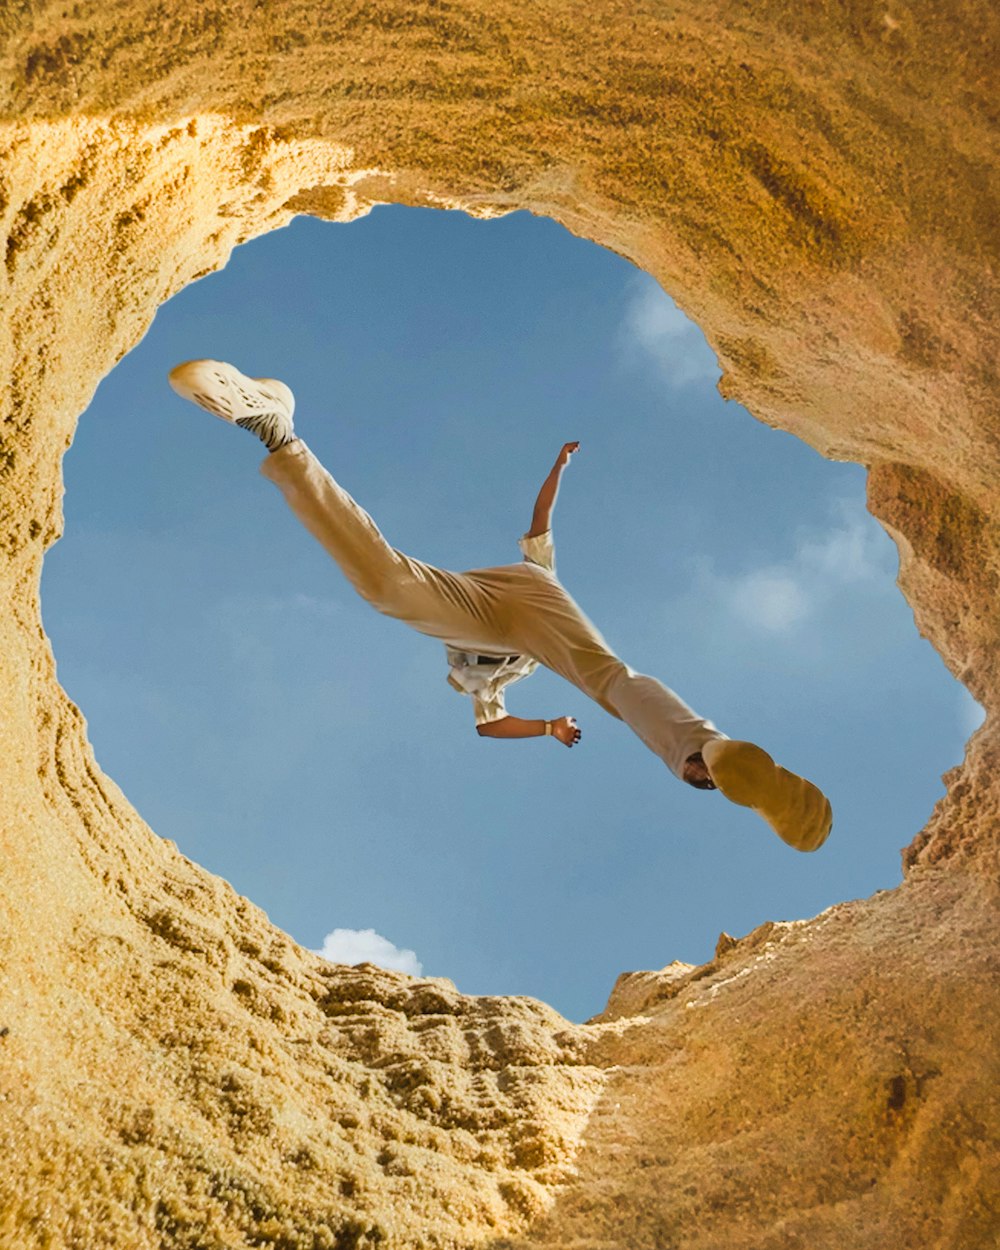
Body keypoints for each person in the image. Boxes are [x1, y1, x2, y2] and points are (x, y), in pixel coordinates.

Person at [168, 359, 833, 852]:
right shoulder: (514, 621)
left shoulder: (483, 682)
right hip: (519, 594)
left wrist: (544, 729)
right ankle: (706, 746)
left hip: (501, 623)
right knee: (606, 677)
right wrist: (559, 468)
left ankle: (277, 431)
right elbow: (541, 522)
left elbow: (488, 728)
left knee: (387, 588)